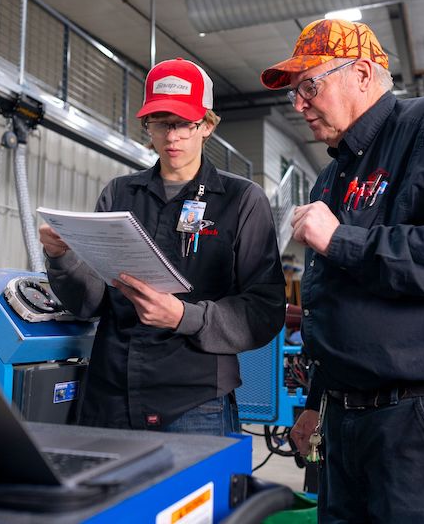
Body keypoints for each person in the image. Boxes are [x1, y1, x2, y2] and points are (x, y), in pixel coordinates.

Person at [260, 19, 424, 522]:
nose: (299, 105)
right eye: (295, 93)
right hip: (346, 420)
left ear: (361, 73)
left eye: (309, 86)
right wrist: (316, 402)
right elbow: (342, 296)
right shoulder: (331, 179)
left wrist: (342, 239)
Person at [41, 57, 285, 436]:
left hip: (194, 404)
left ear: (206, 125)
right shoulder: (120, 193)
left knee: (193, 498)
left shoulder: (241, 200)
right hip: (111, 395)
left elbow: (264, 311)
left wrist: (182, 316)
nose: (172, 137)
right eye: (160, 124)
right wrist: (62, 257)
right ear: (147, 127)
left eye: (184, 124)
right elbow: (89, 303)